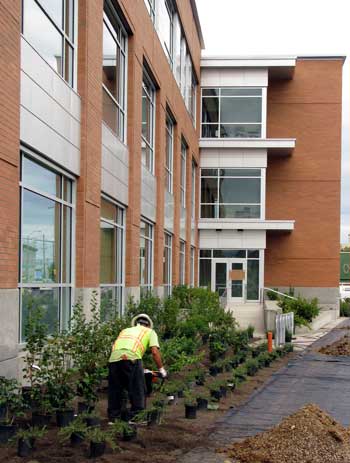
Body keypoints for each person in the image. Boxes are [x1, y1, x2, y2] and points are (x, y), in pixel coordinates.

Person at [107, 313, 167, 422]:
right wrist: (161, 369)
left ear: (136, 323)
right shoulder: (150, 331)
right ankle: (136, 417)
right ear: (148, 325)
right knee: (137, 388)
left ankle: (114, 418)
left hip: (114, 358)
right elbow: (154, 352)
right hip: (132, 357)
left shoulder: (125, 330)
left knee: (116, 389)